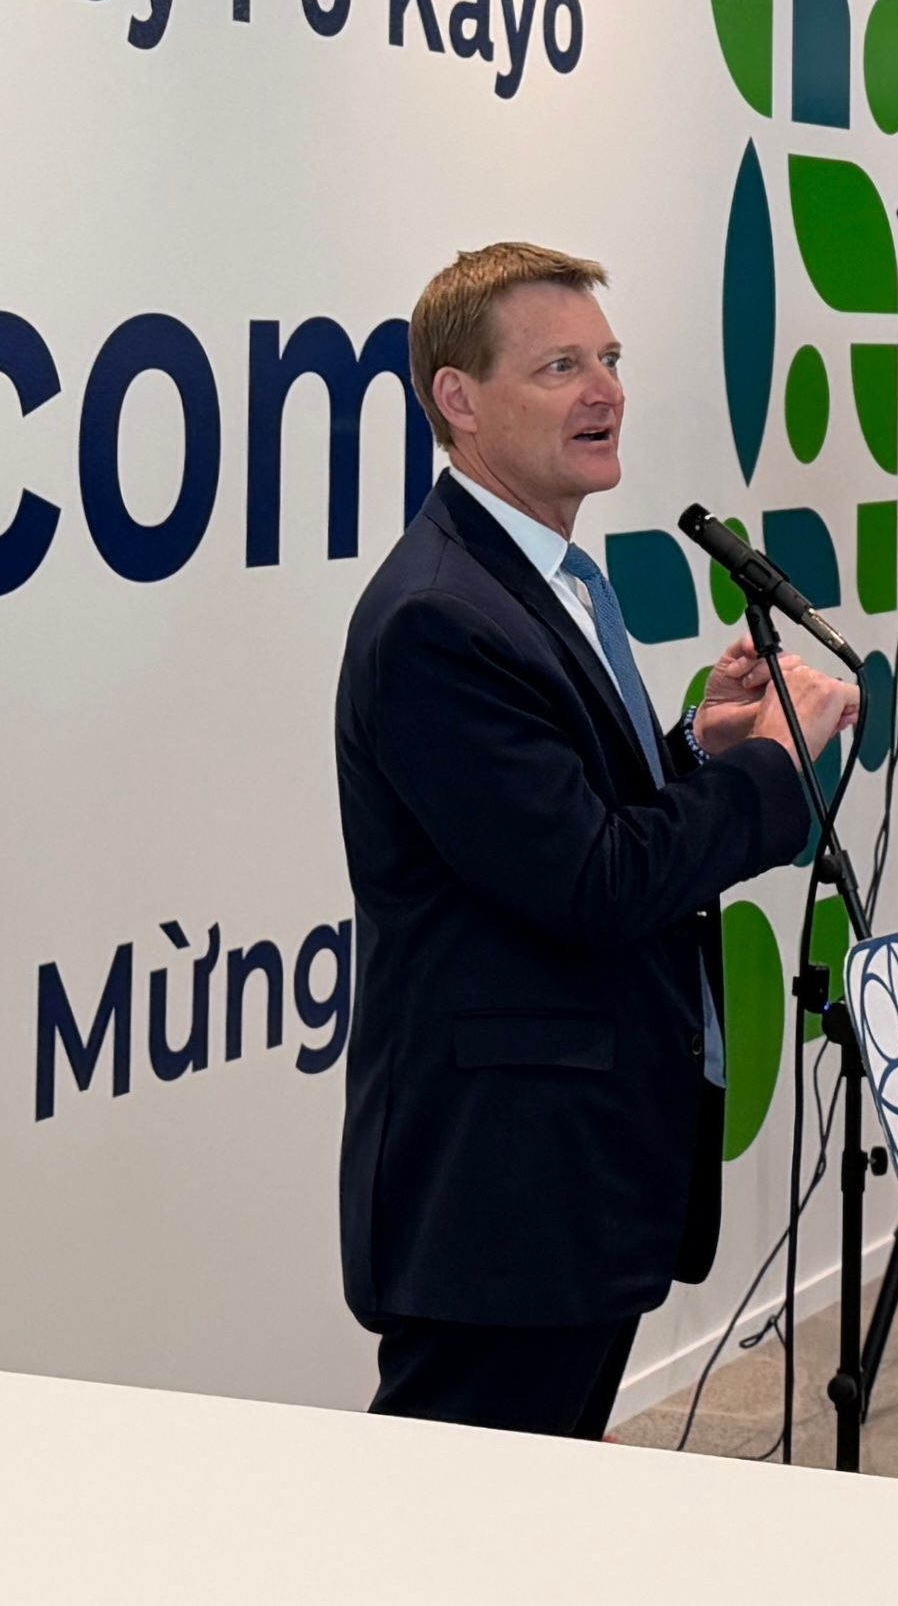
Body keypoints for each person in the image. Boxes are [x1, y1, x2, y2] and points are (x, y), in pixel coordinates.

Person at [330, 241, 855, 1438]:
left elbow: (573, 819)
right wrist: (775, 766)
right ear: (457, 401)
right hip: (502, 1197)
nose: (604, 390)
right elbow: (590, 881)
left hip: (579, 1178)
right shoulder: (435, 618)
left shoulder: (557, 579)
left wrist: (698, 750)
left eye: (607, 358)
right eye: (559, 364)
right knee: (456, 1541)